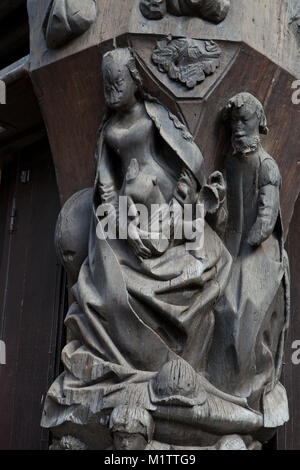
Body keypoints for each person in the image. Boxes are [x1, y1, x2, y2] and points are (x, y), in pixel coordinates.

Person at [41, 47, 233, 444]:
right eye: (106, 83)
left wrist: (182, 198)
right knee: (103, 292)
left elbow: (184, 157)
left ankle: (187, 374)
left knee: (205, 264)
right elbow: (106, 186)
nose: (112, 89)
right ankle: (123, 369)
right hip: (127, 223)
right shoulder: (110, 131)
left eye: (119, 81)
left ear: (135, 80)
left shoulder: (153, 115)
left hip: (169, 214)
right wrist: (122, 224)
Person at [208, 93, 290, 421]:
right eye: (234, 123)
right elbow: (225, 211)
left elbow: (266, 219)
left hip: (260, 251)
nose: (238, 129)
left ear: (259, 122)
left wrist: (245, 252)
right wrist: (216, 199)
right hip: (232, 243)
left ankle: (244, 388)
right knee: (210, 296)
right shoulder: (231, 163)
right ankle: (216, 381)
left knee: (242, 306)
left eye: (245, 121)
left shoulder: (266, 166)